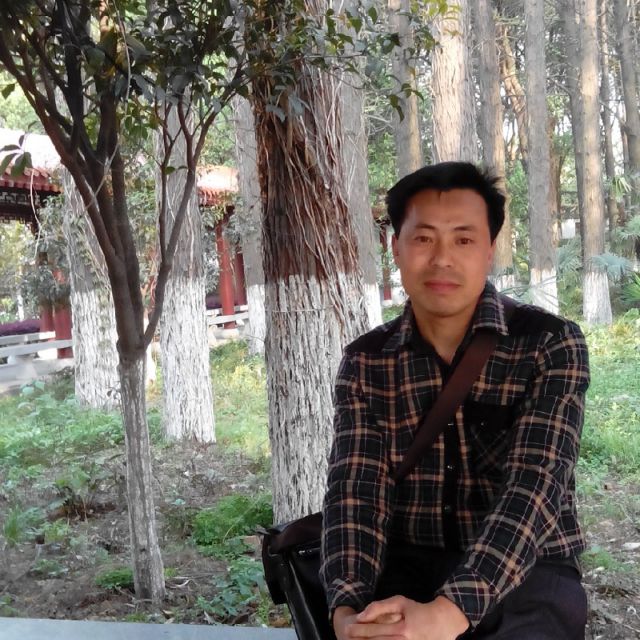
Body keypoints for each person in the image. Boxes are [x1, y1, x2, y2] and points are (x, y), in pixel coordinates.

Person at [319, 162, 590, 640]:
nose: (442, 259)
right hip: (406, 567)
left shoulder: (548, 344)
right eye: (423, 238)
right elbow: (355, 493)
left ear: (489, 250)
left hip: (527, 571)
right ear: (396, 248)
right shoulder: (367, 361)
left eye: (463, 239)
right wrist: (347, 609)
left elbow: (535, 486)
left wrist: (449, 612)